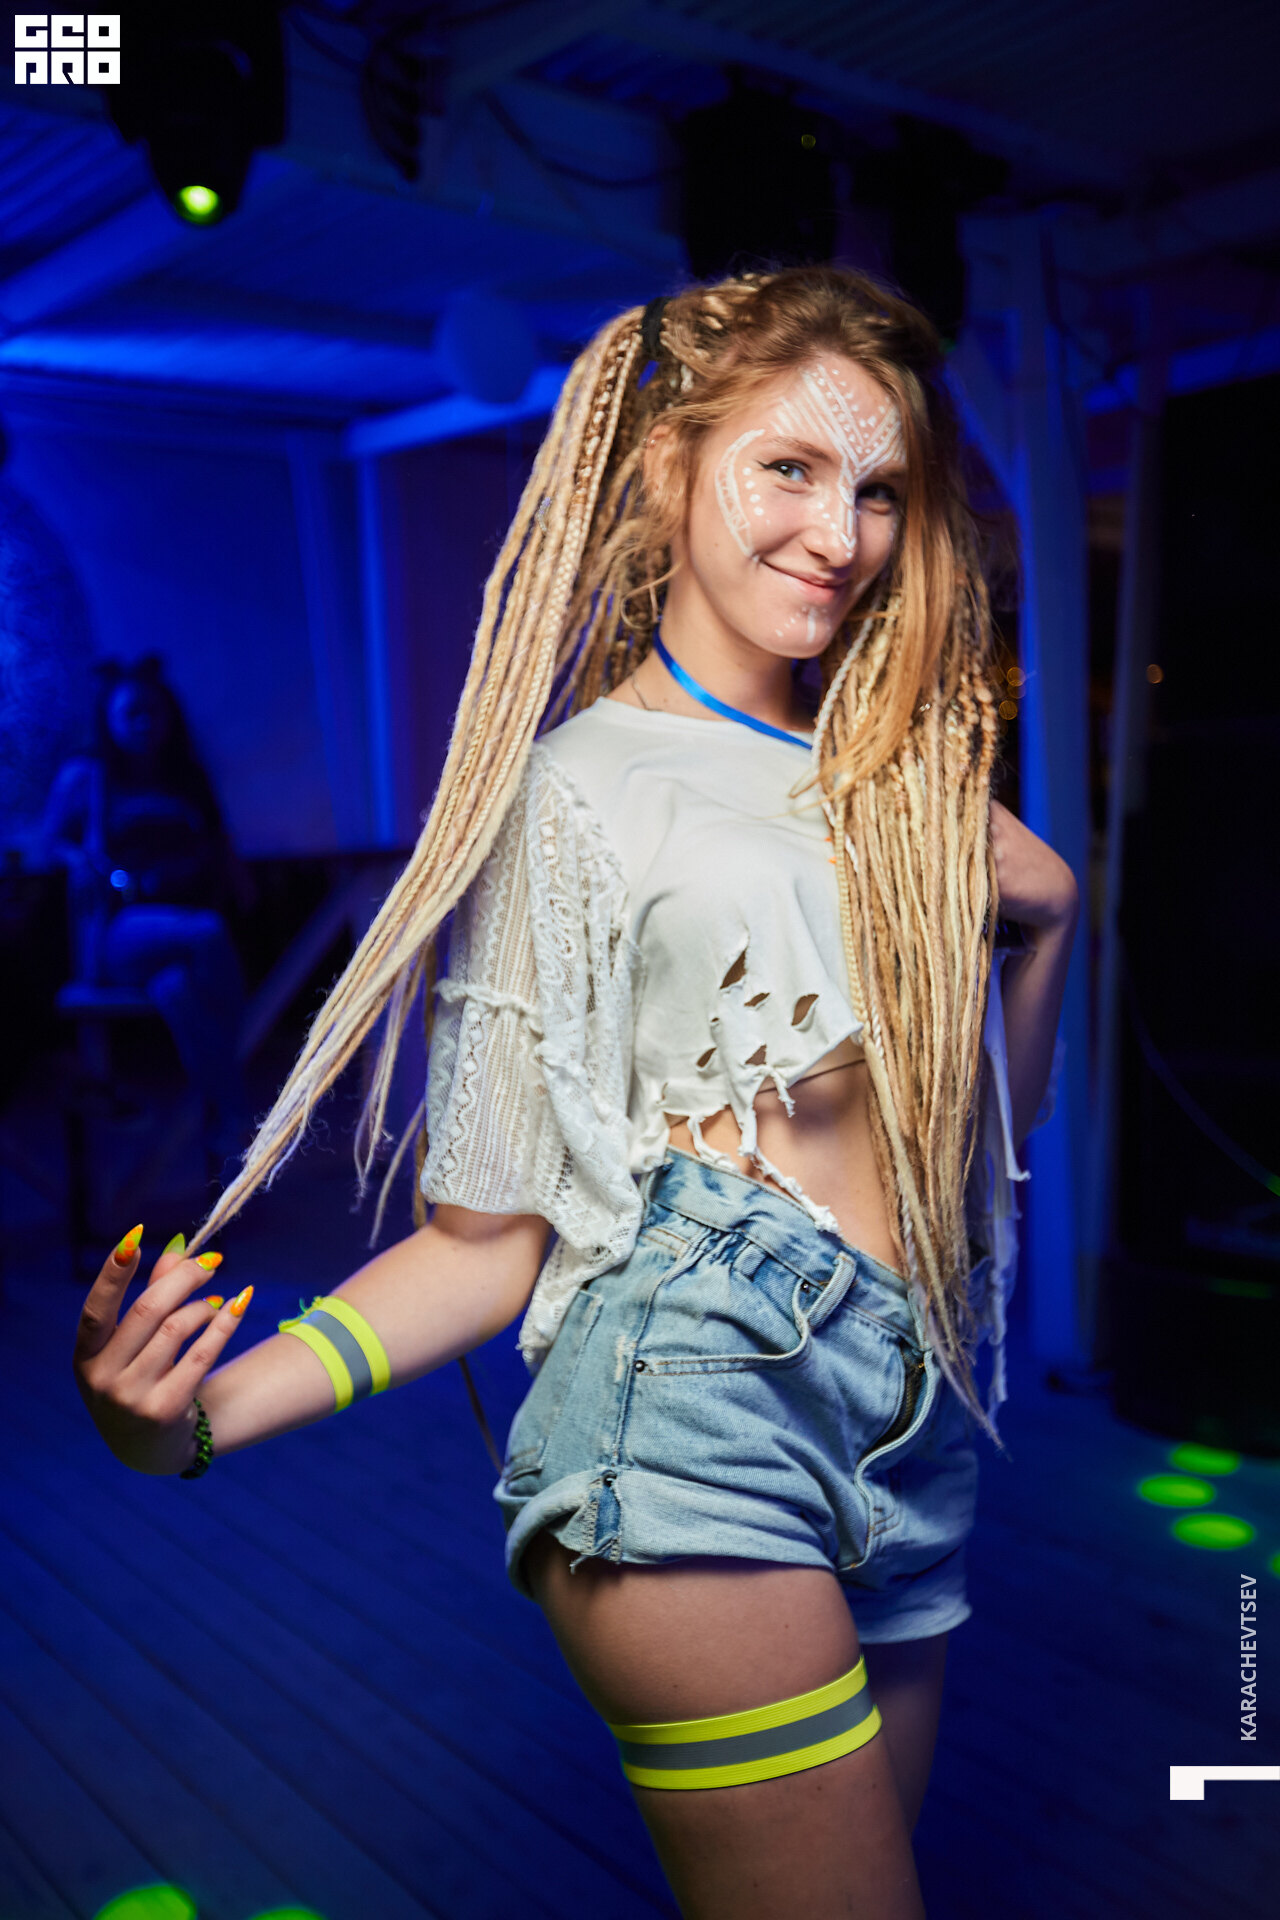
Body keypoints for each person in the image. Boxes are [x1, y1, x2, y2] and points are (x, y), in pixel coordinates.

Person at [73, 269, 1077, 1919]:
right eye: (788, 468)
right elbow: (488, 1237)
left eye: (881, 490)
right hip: (698, 1402)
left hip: (916, 1409)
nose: (839, 533)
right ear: (669, 469)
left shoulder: (889, 783)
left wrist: (1045, 932)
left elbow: (972, 1151)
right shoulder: (579, 792)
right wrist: (203, 1418)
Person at [42, 655, 251, 1161]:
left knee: (176, 990)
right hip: (126, 927)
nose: (143, 723)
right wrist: (77, 859)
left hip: (185, 922)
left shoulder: (188, 778)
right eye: (131, 713)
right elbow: (47, 843)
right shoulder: (92, 777)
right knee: (207, 931)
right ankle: (245, 1094)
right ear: (109, 719)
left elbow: (219, 843)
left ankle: (230, 1128)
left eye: (153, 712)